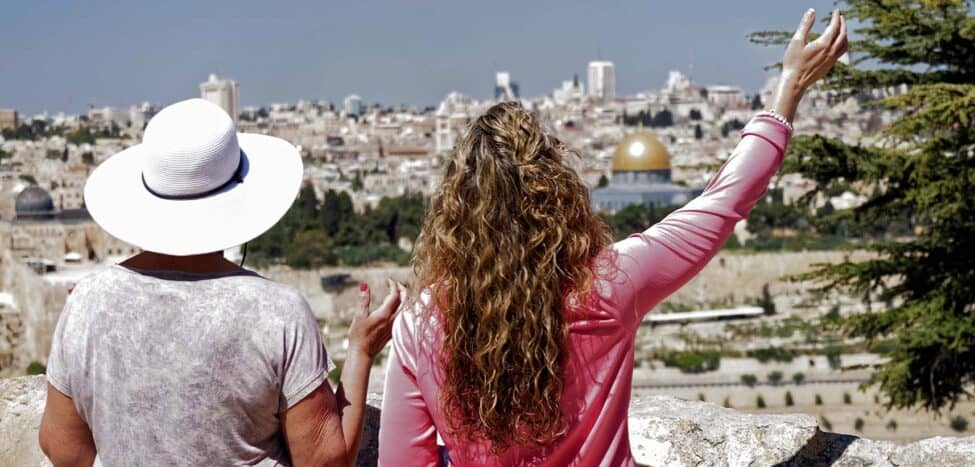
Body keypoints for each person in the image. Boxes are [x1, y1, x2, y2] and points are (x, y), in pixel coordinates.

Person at [379, 8, 848, 466]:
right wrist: (789, 89)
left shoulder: (419, 323)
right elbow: (722, 204)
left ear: (455, 213)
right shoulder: (608, 285)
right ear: (556, 192)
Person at [37, 98, 405, 466]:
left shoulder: (87, 301)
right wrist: (361, 351)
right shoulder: (277, 313)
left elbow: (62, 448)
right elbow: (325, 463)